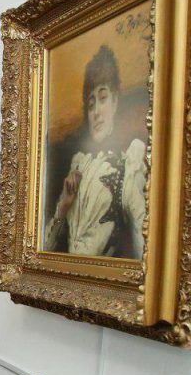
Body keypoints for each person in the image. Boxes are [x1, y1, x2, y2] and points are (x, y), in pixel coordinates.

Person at [44, 44, 147, 259]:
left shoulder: (128, 165)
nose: (96, 112)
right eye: (91, 105)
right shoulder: (79, 164)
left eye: (103, 98)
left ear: (115, 101)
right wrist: (64, 205)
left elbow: (144, 245)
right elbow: (45, 247)